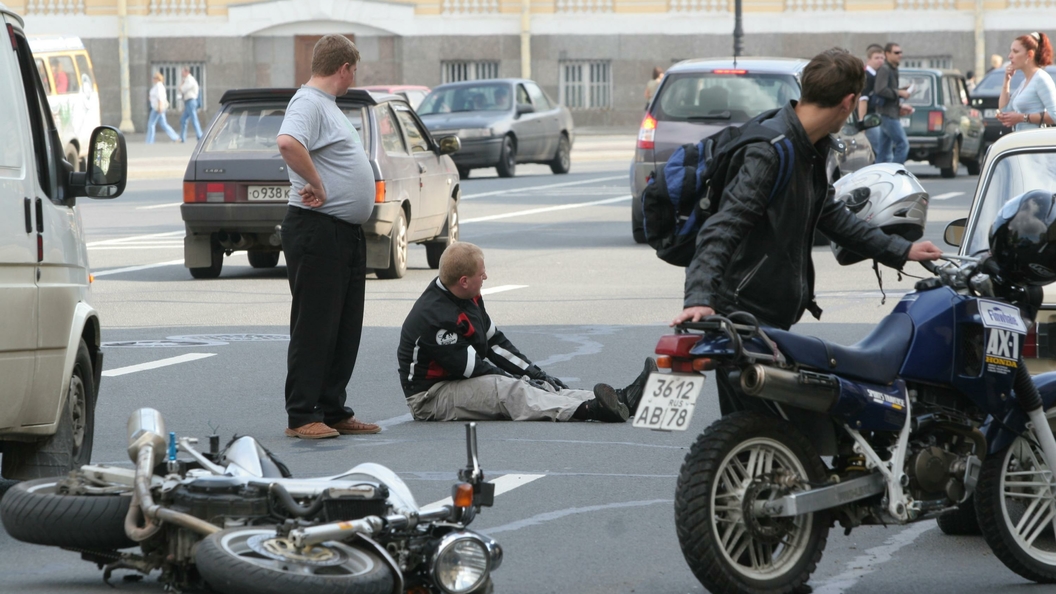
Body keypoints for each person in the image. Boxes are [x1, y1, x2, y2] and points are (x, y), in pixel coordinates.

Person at [671, 48, 942, 419]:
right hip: (743, 314)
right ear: (849, 102)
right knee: (765, 434)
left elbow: (831, 215)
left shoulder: (808, 148)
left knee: (767, 437)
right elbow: (724, 226)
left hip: (769, 314)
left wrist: (902, 250)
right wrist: (698, 297)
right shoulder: (771, 151)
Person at [398, 242, 655, 423]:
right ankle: (590, 409)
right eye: (481, 273)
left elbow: (496, 344)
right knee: (508, 388)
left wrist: (536, 374)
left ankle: (622, 400)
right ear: (464, 280)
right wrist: (523, 381)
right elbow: (476, 369)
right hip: (431, 396)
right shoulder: (434, 318)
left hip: (458, 379)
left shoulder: (469, 296)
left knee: (540, 384)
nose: (486, 276)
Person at [276, 34, 379, 439]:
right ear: (345, 68)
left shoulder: (327, 106)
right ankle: (302, 415)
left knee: (343, 326)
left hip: (343, 231)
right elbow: (287, 142)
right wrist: (316, 183)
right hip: (317, 229)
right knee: (316, 325)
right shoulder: (308, 102)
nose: (353, 78)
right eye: (354, 71)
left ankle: (333, 409)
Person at [996, 32, 1056, 131]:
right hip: (1023, 141)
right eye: (1011, 51)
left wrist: (1021, 118)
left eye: (1015, 52)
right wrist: (1006, 80)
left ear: (1029, 54)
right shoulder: (1025, 82)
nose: (1010, 56)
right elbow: (1005, 110)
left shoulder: (1041, 78)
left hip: (1035, 142)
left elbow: (1054, 115)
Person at [872, 42, 911, 164]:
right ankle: (896, 173)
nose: (900, 55)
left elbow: (889, 91)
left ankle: (879, 175)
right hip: (887, 114)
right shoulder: (885, 69)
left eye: (900, 52)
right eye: (896, 52)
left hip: (891, 112)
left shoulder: (893, 69)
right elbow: (880, 89)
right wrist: (899, 93)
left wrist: (903, 91)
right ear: (887, 54)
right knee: (903, 144)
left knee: (883, 152)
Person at [858, 44, 885, 155]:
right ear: (869, 59)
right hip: (869, 119)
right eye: (876, 58)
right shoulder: (866, 76)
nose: (880, 61)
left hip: (876, 117)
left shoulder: (877, 75)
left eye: (882, 58)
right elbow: (863, 101)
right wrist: (862, 123)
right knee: (879, 151)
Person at [146, 72, 179, 144]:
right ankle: (175, 137)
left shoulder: (159, 86)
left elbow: (160, 97)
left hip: (157, 108)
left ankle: (150, 141)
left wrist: (160, 107)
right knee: (163, 124)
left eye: (154, 78)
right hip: (157, 107)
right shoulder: (157, 86)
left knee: (151, 124)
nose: (153, 79)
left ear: (157, 79)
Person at [178, 67, 203, 143]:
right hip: (188, 102)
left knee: (194, 119)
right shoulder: (186, 80)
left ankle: (200, 136)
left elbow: (182, 89)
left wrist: (181, 85)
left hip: (191, 101)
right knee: (183, 120)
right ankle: (182, 138)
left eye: (182, 72)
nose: (181, 74)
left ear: (187, 72)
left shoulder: (190, 80)